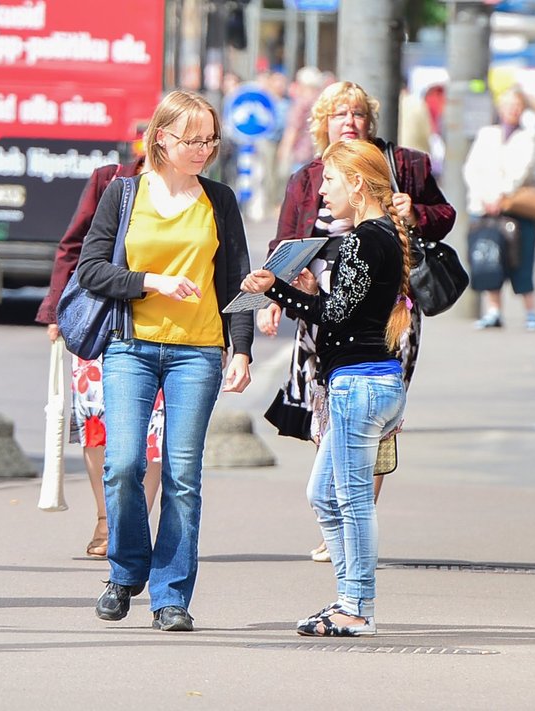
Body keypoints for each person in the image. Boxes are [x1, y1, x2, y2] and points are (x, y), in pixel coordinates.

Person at [76, 90, 254, 632]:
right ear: (161, 137)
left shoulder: (219, 200)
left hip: (198, 350)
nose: (203, 149)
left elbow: (238, 281)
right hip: (130, 345)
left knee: (182, 474)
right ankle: (125, 570)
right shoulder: (123, 193)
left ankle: (171, 594)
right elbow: (89, 270)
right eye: (191, 139)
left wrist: (241, 348)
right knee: (124, 462)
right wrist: (149, 282)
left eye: (209, 140)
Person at [259, 80, 455, 562]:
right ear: (322, 124)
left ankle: (356, 514)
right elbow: (285, 240)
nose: (350, 122)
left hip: (390, 309)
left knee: (373, 414)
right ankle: (339, 517)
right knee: (324, 409)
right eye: (339, 114)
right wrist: (274, 297)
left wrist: (417, 213)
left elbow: (444, 215)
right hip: (318, 302)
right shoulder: (309, 176)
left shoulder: (403, 166)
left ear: (371, 122)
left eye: (358, 114)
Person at [241, 139, 409, 637]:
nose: (322, 194)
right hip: (366, 382)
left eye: (331, 181)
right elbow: (347, 312)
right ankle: (347, 596)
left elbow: (335, 319)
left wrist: (274, 289)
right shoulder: (378, 238)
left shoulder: (363, 239)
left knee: (352, 499)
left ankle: (357, 606)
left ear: (358, 183)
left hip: (360, 385)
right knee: (323, 494)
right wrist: (303, 291)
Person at [34, 150, 163, 559]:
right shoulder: (110, 180)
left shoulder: (197, 194)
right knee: (97, 423)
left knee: (153, 430)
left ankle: (133, 524)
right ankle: (107, 518)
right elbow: (72, 247)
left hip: (163, 323)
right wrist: (56, 309)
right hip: (99, 318)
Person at [463, 88, 535, 331]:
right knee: (489, 257)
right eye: (508, 104)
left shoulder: (529, 137)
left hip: (515, 208)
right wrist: (486, 197)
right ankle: (494, 311)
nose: (512, 109)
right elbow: (471, 168)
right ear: (499, 108)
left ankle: (531, 312)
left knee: (524, 260)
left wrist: (501, 196)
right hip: (484, 207)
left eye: (517, 105)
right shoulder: (487, 134)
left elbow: (523, 170)